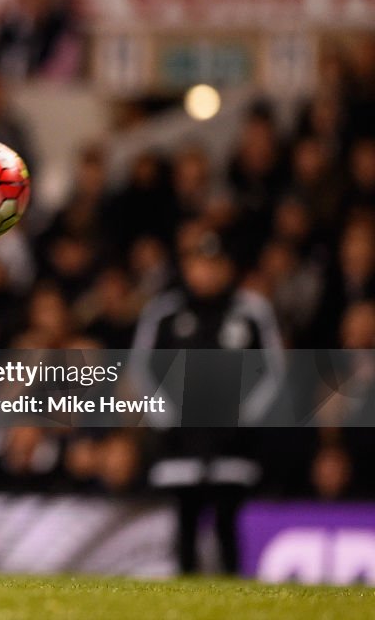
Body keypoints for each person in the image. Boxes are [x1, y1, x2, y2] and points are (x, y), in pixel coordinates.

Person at [131, 223, 284, 575]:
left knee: (228, 520)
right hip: (180, 440)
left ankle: (233, 589)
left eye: (213, 264)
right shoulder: (165, 313)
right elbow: (143, 370)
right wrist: (167, 417)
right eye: (198, 263)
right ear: (186, 267)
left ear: (227, 267)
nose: (205, 272)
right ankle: (182, 595)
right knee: (184, 522)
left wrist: (244, 416)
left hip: (234, 440)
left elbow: (272, 370)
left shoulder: (251, 312)